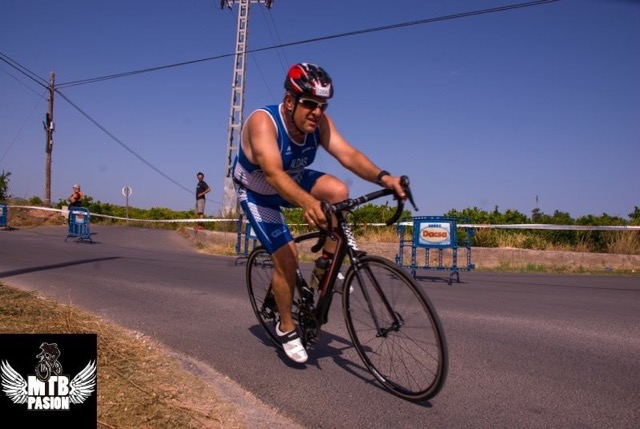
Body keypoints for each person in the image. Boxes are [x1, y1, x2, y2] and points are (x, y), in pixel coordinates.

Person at [232, 63, 406, 363]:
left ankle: (323, 271)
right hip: (259, 192)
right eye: (310, 104)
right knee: (288, 257)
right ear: (290, 101)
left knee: (338, 192)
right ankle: (286, 327)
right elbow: (273, 174)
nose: (317, 112)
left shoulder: (319, 123)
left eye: (323, 106)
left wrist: (384, 178)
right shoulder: (264, 123)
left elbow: (348, 154)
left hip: (294, 179)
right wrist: (308, 203)